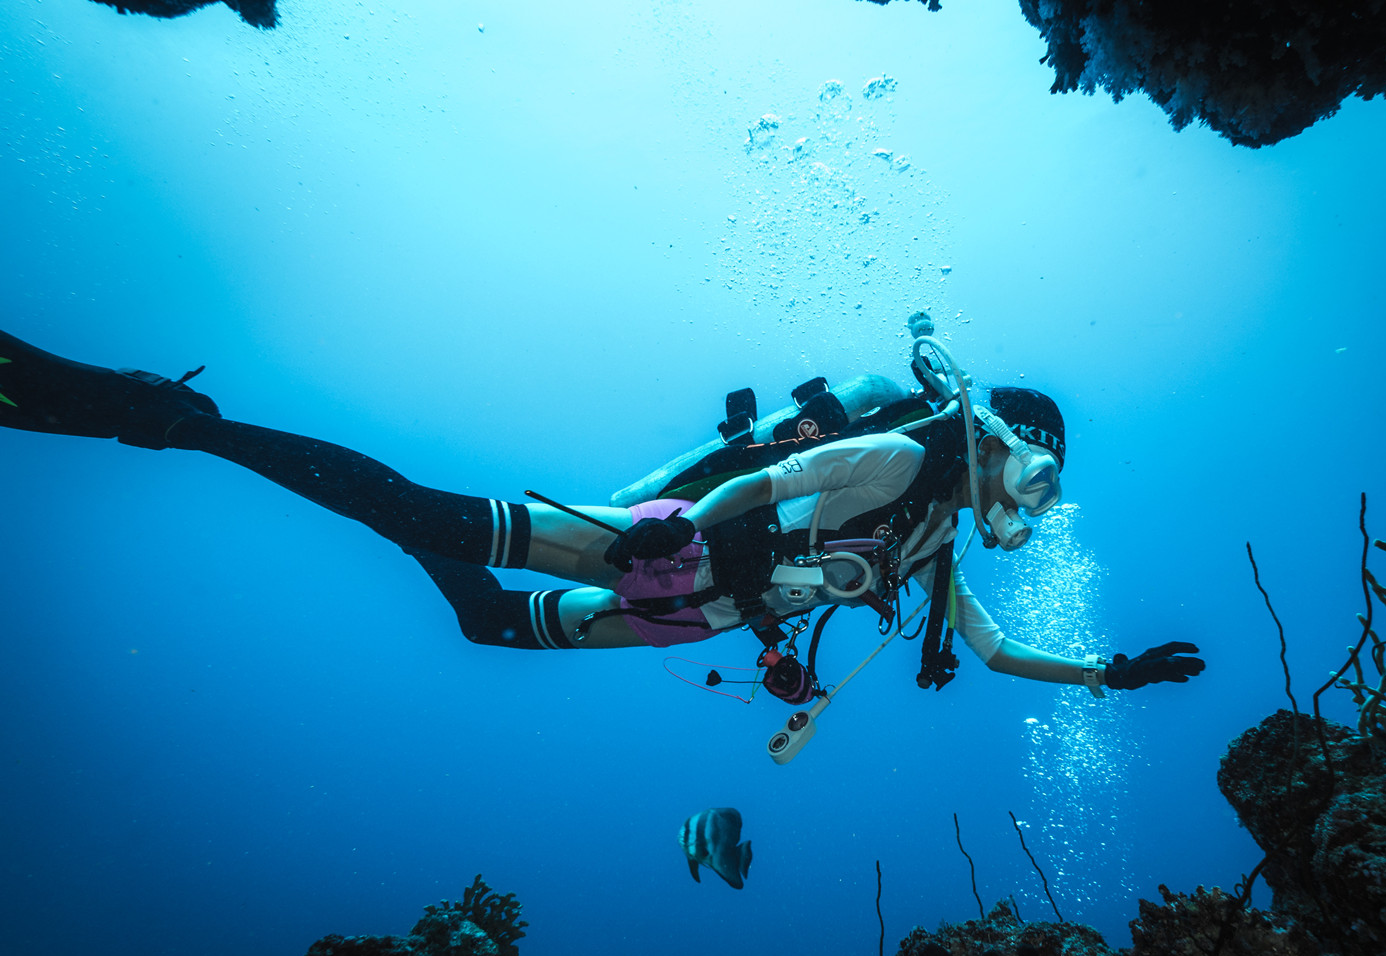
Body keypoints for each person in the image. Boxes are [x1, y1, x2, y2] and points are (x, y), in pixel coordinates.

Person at [0, 327, 1204, 702]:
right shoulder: (897, 455)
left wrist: (1108, 676)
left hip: (706, 618)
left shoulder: (936, 539)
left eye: (1050, 499)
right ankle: (177, 422)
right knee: (429, 514)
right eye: (1037, 480)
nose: (1033, 510)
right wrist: (686, 524)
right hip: (670, 542)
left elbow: (989, 650)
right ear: (1004, 442)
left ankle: (450, 580)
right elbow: (768, 487)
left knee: (490, 631)